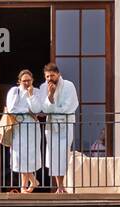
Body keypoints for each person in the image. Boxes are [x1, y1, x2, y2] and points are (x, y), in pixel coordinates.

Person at [40, 62, 78, 192]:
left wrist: (54, 110)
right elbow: (44, 109)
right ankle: (59, 186)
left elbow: (70, 106)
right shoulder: (43, 88)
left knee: (63, 153)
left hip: (66, 125)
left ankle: (63, 185)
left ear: (58, 74)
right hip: (51, 126)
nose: (50, 79)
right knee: (53, 155)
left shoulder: (69, 86)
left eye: (52, 75)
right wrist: (50, 95)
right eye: (47, 76)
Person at [4, 70, 44, 193]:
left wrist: (31, 95)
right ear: (19, 81)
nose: (26, 83)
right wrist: (27, 110)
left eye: (29, 80)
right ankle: (31, 182)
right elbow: (12, 108)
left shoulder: (36, 92)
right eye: (24, 80)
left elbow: (38, 109)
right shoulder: (14, 91)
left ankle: (24, 186)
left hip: (32, 128)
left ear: (32, 80)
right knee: (20, 155)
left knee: (29, 155)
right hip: (19, 127)